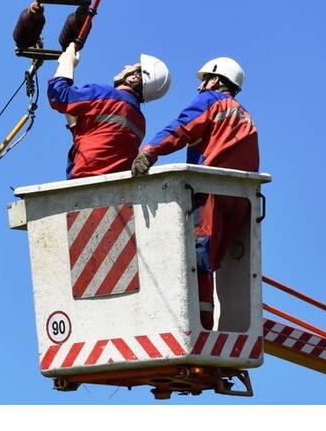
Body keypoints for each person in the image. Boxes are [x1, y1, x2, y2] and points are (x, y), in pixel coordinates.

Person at [130, 57, 259, 329]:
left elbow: (182, 128)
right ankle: (206, 323)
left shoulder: (211, 101)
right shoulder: (245, 115)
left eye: (203, 80)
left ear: (216, 80)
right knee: (209, 262)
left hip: (210, 192)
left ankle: (199, 326)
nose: (200, 87)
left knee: (197, 258)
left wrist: (149, 152)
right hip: (240, 201)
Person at [47, 43, 170, 179]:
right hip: (113, 190)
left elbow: (59, 96)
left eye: (131, 66)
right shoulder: (140, 122)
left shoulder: (105, 95)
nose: (125, 67)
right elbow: (101, 138)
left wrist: (67, 63)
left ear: (134, 78)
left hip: (83, 183)